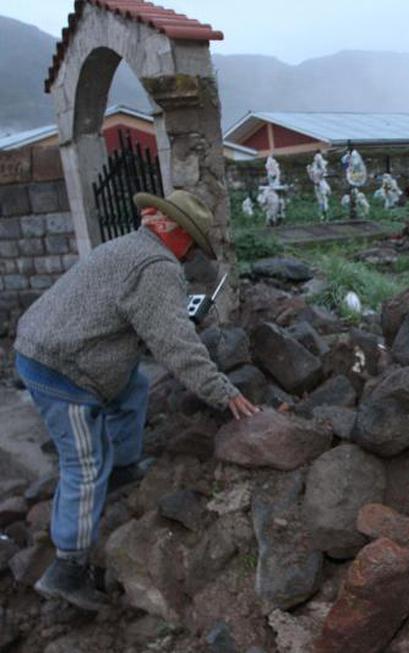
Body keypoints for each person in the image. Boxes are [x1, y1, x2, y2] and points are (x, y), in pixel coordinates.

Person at [13, 189, 260, 611]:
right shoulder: (155, 266)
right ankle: (67, 568)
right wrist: (223, 391)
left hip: (59, 345)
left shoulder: (131, 246)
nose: (190, 255)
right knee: (85, 464)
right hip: (61, 369)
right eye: (192, 245)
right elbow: (175, 344)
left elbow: (140, 315)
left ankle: (123, 467)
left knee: (133, 388)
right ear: (177, 232)